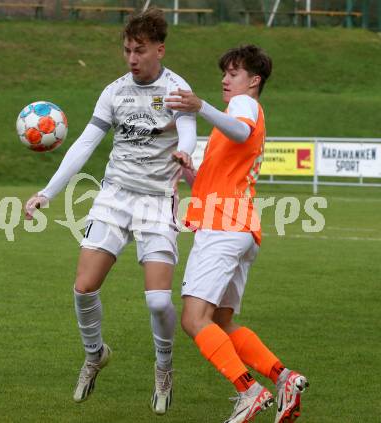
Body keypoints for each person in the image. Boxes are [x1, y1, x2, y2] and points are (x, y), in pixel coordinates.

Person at [24, 7, 196, 415]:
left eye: (139, 50)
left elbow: (188, 127)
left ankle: (164, 367)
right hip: (115, 196)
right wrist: (48, 192)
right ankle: (94, 353)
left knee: (157, 302)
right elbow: (85, 143)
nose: (132, 58)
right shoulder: (114, 91)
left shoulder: (177, 89)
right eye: (126, 50)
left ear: (159, 49)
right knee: (83, 287)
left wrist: (186, 151)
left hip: (156, 201)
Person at [165, 45, 308, 423]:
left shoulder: (242, 107)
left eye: (234, 73)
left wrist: (201, 107)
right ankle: (285, 378)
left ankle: (249, 390)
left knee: (194, 320)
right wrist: (190, 170)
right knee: (222, 323)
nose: (225, 80)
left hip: (224, 226)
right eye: (225, 73)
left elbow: (241, 132)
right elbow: (225, 166)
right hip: (239, 225)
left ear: (254, 80)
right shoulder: (233, 117)